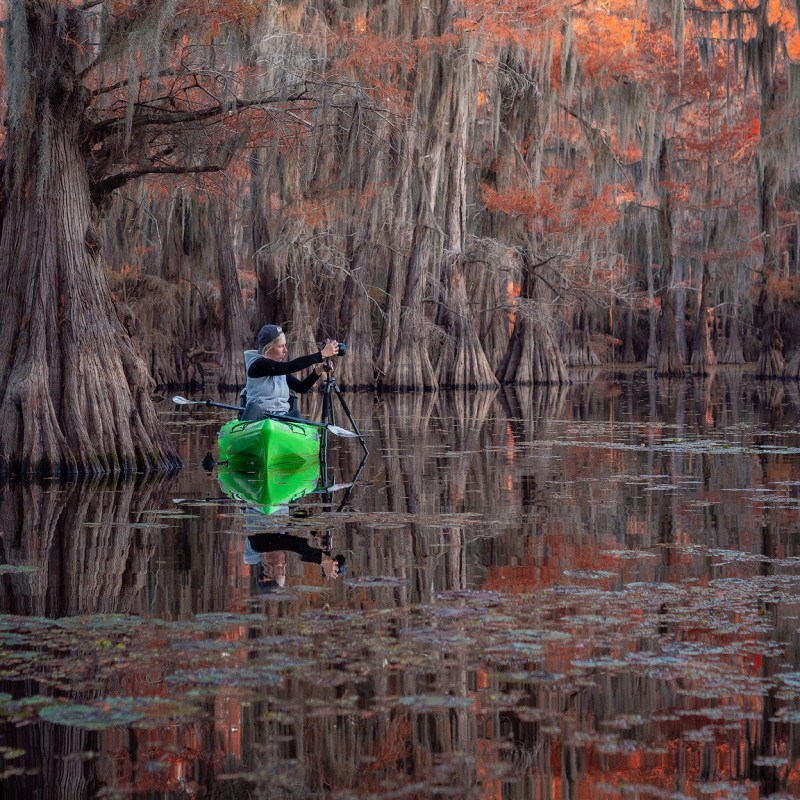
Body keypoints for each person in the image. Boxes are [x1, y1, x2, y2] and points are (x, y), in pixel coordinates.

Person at [241, 324, 339, 420]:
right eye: (281, 346)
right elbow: (290, 366)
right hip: (258, 418)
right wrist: (321, 354)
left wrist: (318, 371)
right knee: (253, 407)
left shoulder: (279, 370)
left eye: (285, 345)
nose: (285, 350)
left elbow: (301, 388)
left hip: (280, 418)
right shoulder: (258, 365)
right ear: (268, 349)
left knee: (295, 414)